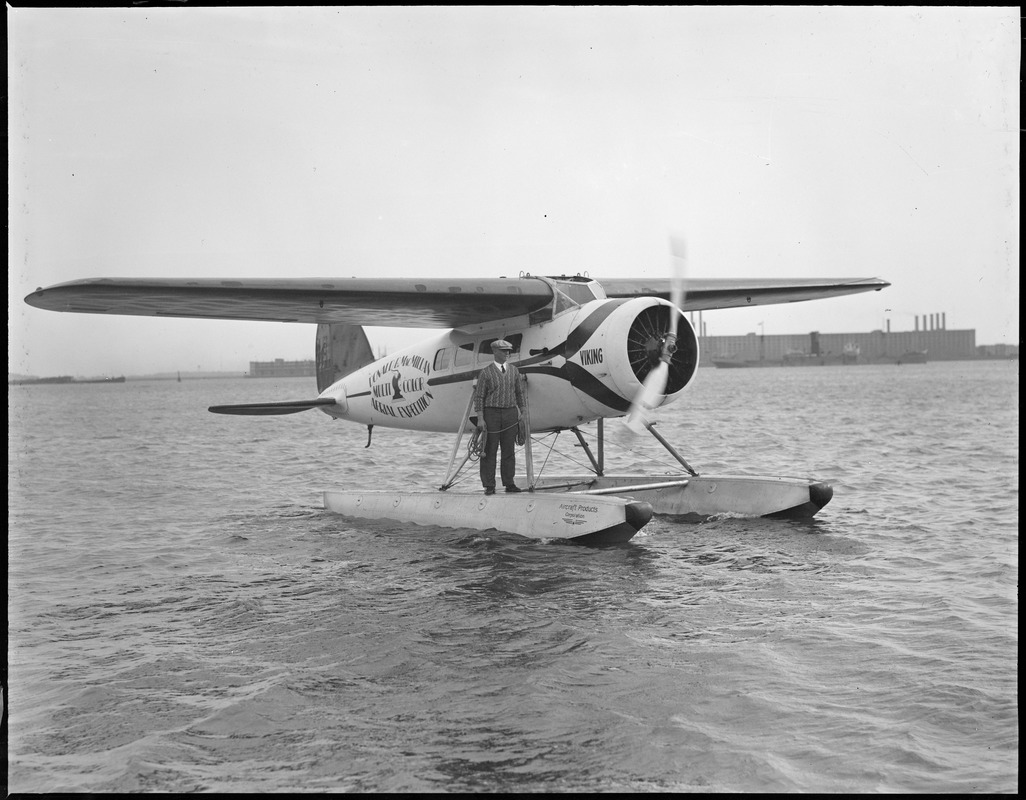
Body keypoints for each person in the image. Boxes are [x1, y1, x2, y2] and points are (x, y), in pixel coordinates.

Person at [473, 339, 526, 494]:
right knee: (489, 450)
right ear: (495, 352)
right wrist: (481, 419)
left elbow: (519, 392)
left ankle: (509, 483)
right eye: (504, 351)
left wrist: (522, 412)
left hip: (510, 413)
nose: (507, 353)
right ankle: (489, 485)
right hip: (491, 414)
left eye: (508, 351)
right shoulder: (485, 373)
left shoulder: (514, 371)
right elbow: (479, 397)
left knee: (509, 450)